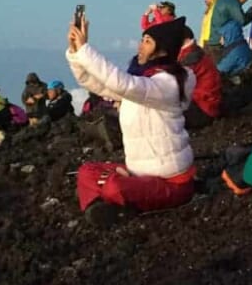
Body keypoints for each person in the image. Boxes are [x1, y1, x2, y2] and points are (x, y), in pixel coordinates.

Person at [67, 14, 196, 224]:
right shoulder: (147, 82)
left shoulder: (167, 84)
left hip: (172, 183)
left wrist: (85, 50)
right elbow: (97, 84)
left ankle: (107, 203)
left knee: (113, 186)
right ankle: (101, 207)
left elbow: (123, 84)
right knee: (86, 171)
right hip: (138, 174)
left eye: (147, 41)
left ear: (161, 49)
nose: (140, 46)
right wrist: (75, 52)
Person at [177, 23, 222, 129]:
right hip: (208, 105)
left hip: (203, 109)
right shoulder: (195, 52)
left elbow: (176, 85)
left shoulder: (190, 58)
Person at [208, 0, 252, 76]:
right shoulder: (232, 1)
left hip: (215, 40)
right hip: (221, 42)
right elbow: (241, 20)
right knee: (221, 75)